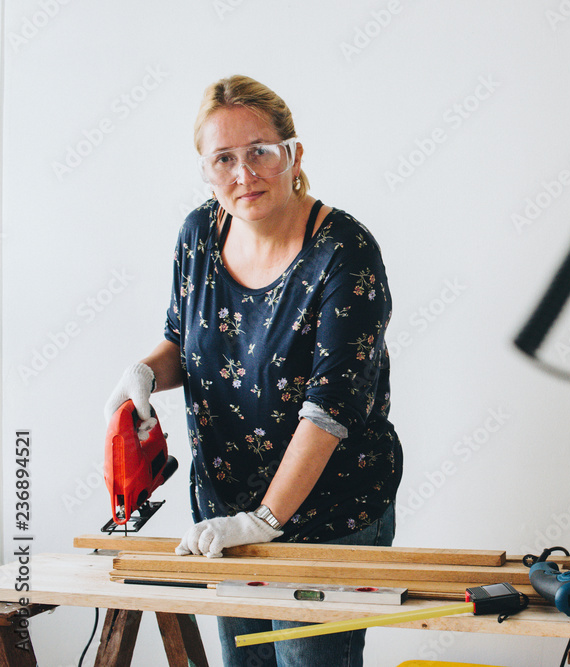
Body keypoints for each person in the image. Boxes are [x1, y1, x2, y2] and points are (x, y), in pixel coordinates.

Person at [104, 74, 403, 667]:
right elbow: (181, 341)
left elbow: (330, 410)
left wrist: (265, 519)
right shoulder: (198, 234)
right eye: (224, 160)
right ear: (206, 169)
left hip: (329, 514)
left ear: (293, 154)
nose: (245, 175)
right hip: (222, 514)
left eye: (261, 152)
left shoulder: (345, 253)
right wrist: (143, 373)